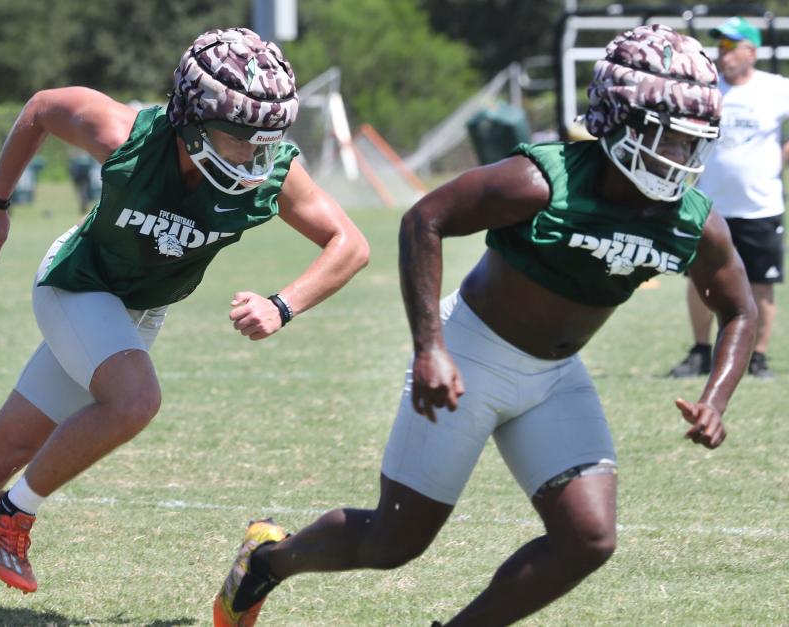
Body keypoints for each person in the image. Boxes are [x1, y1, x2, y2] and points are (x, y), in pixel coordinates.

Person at [213, 24, 757, 627]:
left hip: (555, 377)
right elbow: (425, 220)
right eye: (669, 137)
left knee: (589, 539)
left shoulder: (691, 222)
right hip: (470, 355)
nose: (682, 156)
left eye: (692, 141)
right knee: (394, 542)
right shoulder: (543, 181)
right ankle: (268, 559)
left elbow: (738, 308)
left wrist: (718, 396)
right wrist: (430, 347)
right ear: (620, 120)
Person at [0, 27, 369, 621]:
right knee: (135, 399)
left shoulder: (271, 171)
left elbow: (348, 243)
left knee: (7, 446)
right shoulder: (128, 136)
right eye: (240, 138)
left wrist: (283, 304)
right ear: (191, 122)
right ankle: (10, 515)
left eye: (266, 140)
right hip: (78, 285)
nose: (255, 155)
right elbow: (42, 107)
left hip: (138, 312)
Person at [670, 16, 789, 379]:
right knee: (700, 277)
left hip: (760, 205)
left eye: (730, 46)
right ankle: (701, 351)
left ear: (751, 52)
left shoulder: (776, 88)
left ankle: (758, 357)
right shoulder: (708, 89)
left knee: (760, 282)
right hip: (709, 205)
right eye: (718, 46)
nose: (723, 55)